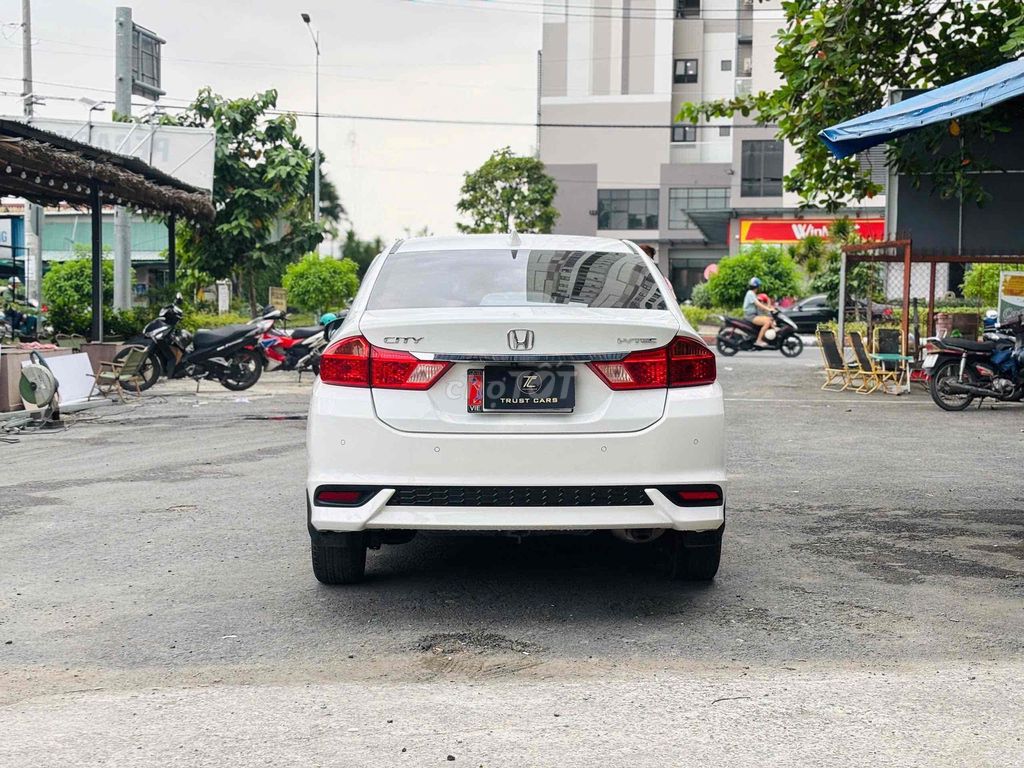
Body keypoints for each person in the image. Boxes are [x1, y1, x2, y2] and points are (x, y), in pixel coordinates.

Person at [742, 278, 775, 347]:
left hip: (753, 315)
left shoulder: (752, 293)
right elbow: (758, 304)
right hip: (750, 316)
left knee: (770, 319)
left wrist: (769, 308)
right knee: (767, 322)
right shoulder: (750, 293)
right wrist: (768, 309)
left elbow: (760, 305)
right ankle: (759, 340)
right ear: (757, 286)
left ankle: (769, 337)